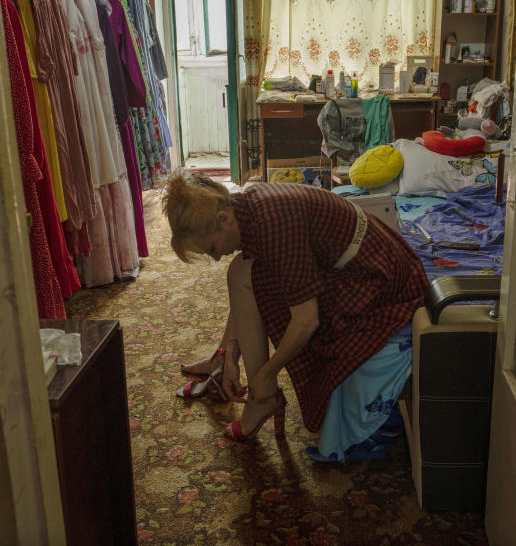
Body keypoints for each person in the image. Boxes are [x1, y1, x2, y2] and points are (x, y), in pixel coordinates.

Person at [163, 172, 427, 460]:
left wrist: (266, 374)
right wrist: (228, 352)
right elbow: (245, 281)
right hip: (350, 270)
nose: (216, 256)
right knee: (241, 270)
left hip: (383, 285)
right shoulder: (246, 207)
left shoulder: (275, 224)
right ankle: (261, 401)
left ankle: (262, 395)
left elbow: (306, 321)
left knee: (252, 279)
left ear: (225, 219)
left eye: (212, 248)